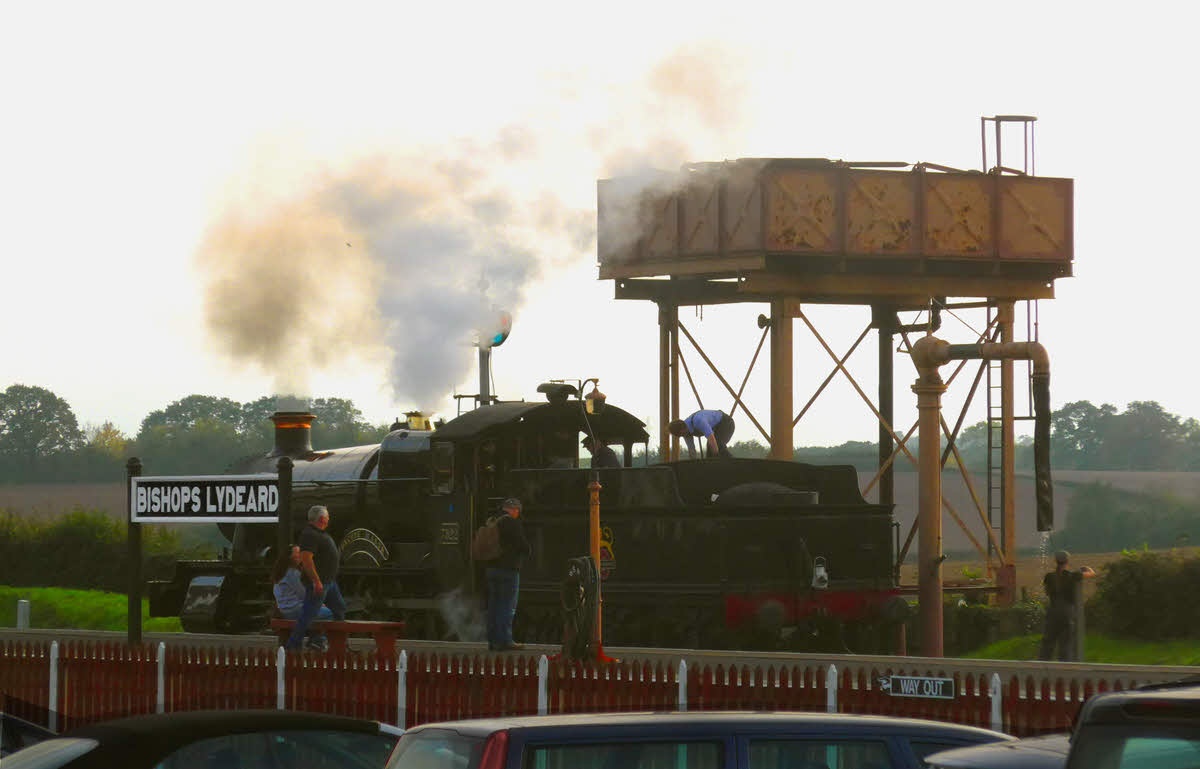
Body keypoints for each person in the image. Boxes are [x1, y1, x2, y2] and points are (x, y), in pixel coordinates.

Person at [286, 505, 347, 652]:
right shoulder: (309, 534)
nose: (329, 519)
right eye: (327, 517)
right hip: (320, 582)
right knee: (308, 614)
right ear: (321, 518)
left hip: (329, 582)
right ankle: (293, 645)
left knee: (339, 608)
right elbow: (307, 559)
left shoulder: (319, 533)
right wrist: (316, 581)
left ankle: (337, 643)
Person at [486, 497, 532, 651]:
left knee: (494, 605)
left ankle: (493, 641)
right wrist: (527, 550)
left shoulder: (492, 520)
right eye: (518, 511)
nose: (518, 514)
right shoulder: (511, 523)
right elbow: (522, 545)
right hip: (508, 570)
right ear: (514, 509)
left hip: (491, 569)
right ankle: (505, 640)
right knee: (507, 606)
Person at [1038, 550, 1096, 661]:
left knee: (1048, 642)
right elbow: (1092, 573)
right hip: (1067, 612)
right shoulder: (1073, 575)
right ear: (1067, 561)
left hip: (1053, 611)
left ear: (1056, 561)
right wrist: (1086, 568)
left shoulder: (1049, 577)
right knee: (1065, 643)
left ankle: (1043, 667)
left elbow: (1047, 591)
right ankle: (1064, 669)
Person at [271, 544, 333, 622]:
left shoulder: (281, 573)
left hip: (284, 611)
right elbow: (304, 595)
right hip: (295, 611)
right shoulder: (293, 573)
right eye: (297, 553)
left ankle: (314, 633)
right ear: (289, 556)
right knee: (330, 613)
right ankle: (316, 634)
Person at [668, 409, 735, 459]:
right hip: (716, 429)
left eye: (681, 435)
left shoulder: (699, 421)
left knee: (718, 446)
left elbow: (712, 439)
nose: (682, 436)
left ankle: (734, 464)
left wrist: (717, 457)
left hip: (726, 422)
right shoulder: (685, 432)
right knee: (709, 455)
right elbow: (692, 451)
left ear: (682, 429)